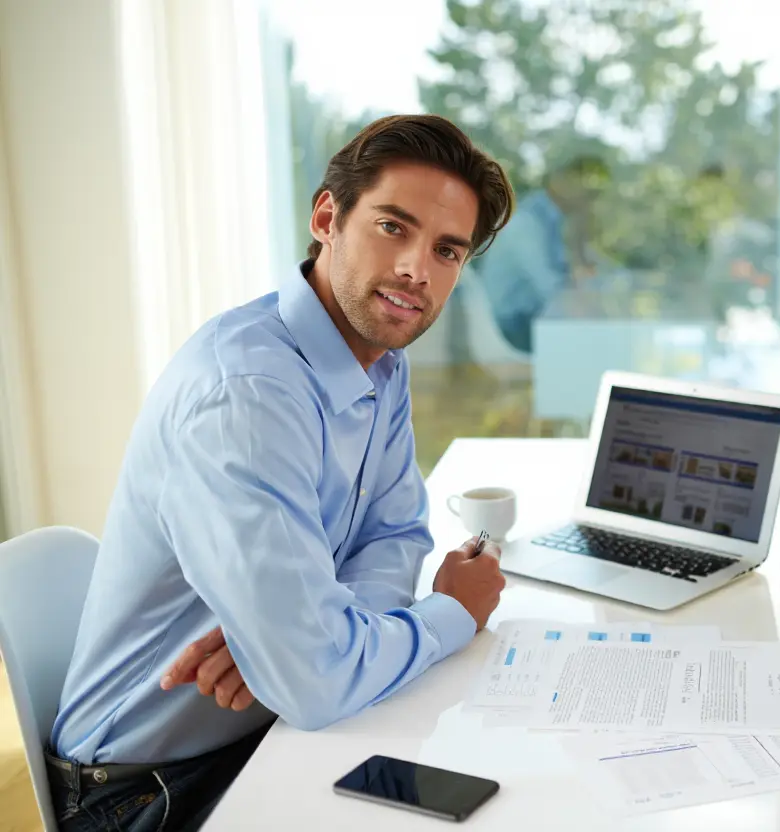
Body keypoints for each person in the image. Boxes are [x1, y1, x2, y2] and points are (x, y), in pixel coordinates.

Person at [46, 114, 516, 831]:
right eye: (395, 227)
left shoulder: (381, 362)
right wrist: (452, 611)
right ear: (328, 216)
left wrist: (305, 637)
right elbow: (320, 684)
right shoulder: (247, 394)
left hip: (273, 730)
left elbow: (395, 535)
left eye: (447, 250)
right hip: (148, 790)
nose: (417, 270)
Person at [473, 154, 608, 353]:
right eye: (581, 180)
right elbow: (550, 288)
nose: (587, 192)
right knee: (595, 336)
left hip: (536, 318)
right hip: (515, 325)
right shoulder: (527, 223)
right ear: (558, 181)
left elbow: (584, 270)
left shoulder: (555, 221)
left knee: (599, 329)